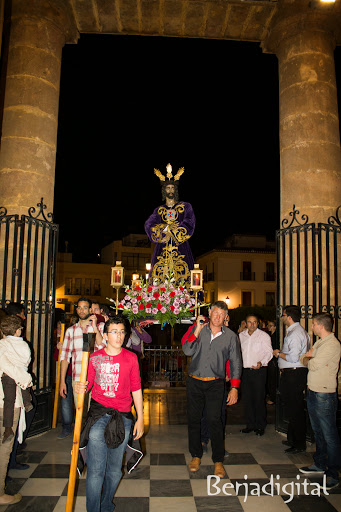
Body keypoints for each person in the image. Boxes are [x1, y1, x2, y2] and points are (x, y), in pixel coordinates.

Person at [74, 315, 144, 512]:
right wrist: (79, 386)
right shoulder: (94, 358)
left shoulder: (131, 358)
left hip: (123, 417)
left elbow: (136, 389)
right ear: (105, 336)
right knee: (96, 470)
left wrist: (140, 418)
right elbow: (85, 385)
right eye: (114, 332)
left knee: (114, 470)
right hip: (98, 416)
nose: (119, 336)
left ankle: (106, 505)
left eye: (122, 332)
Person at [182, 300, 242, 478]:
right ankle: (195, 456)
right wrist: (197, 331)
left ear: (226, 317)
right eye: (215, 313)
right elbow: (187, 350)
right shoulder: (199, 329)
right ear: (209, 313)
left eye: (221, 315)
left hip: (216, 384)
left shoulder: (231, 336)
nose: (217, 317)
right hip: (194, 381)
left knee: (215, 420)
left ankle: (218, 460)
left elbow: (236, 362)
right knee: (193, 420)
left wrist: (235, 388)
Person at [298, 312, 341, 490]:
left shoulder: (332, 344)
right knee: (318, 432)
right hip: (313, 392)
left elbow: (312, 363)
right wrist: (309, 357)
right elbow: (303, 359)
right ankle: (319, 463)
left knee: (329, 435)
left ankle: (333, 473)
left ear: (320, 326)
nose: (312, 327)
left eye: (313, 324)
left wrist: (309, 357)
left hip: (324, 394)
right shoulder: (319, 343)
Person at [144, 163, 195, 284]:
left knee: (183, 278)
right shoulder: (159, 210)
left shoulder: (185, 206)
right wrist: (165, 228)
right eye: (168, 188)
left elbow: (189, 223)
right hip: (162, 248)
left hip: (180, 247)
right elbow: (148, 225)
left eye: (172, 188)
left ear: (175, 190)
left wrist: (172, 231)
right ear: (164, 190)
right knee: (159, 278)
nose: (170, 190)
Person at [273, 305, 310, 454]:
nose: (282, 318)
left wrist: (278, 353)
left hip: (294, 375)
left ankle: (299, 444)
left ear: (288, 317)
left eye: (283, 315)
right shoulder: (297, 331)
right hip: (292, 374)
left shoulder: (295, 333)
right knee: (292, 407)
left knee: (295, 409)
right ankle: (292, 438)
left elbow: (293, 357)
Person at [59, 298, 105, 407]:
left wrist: (94, 327)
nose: (81, 310)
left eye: (85, 308)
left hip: (98, 378)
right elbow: (65, 357)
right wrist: (62, 381)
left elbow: (103, 347)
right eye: (79, 308)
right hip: (78, 378)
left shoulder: (100, 327)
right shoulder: (71, 331)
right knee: (80, 413)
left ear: (90, 310)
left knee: (96, 414)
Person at [0, 316, 33, 443]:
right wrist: (21, 369)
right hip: (22, 376)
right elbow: (27, 359)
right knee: (24, 385)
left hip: (7, 378)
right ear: (18, 330)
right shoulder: (24, 344)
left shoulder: (3, 344)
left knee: (9, 401)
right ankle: (27, 402)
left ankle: (8, 429)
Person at [239, 314, 273, 436]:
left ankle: (260, 425)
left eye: (254, 322)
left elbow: (269, 353)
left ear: (258, 323)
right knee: (247, 399)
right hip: (245, 371)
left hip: (259, 371)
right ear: (245, 323)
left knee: (259, 398)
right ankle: (250, 424)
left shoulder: (263, 336)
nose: (252, 324)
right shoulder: (241, 336)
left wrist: (261, 362)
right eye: (249, 322)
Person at [266, 319, 278, 405]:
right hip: (270, 360)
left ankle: (273, 397)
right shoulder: (269, 335)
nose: (268, 327)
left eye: (270, 325)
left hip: (274, 360)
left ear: (275, 327)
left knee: (273, 379)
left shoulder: (276, 336)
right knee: (270, 379)